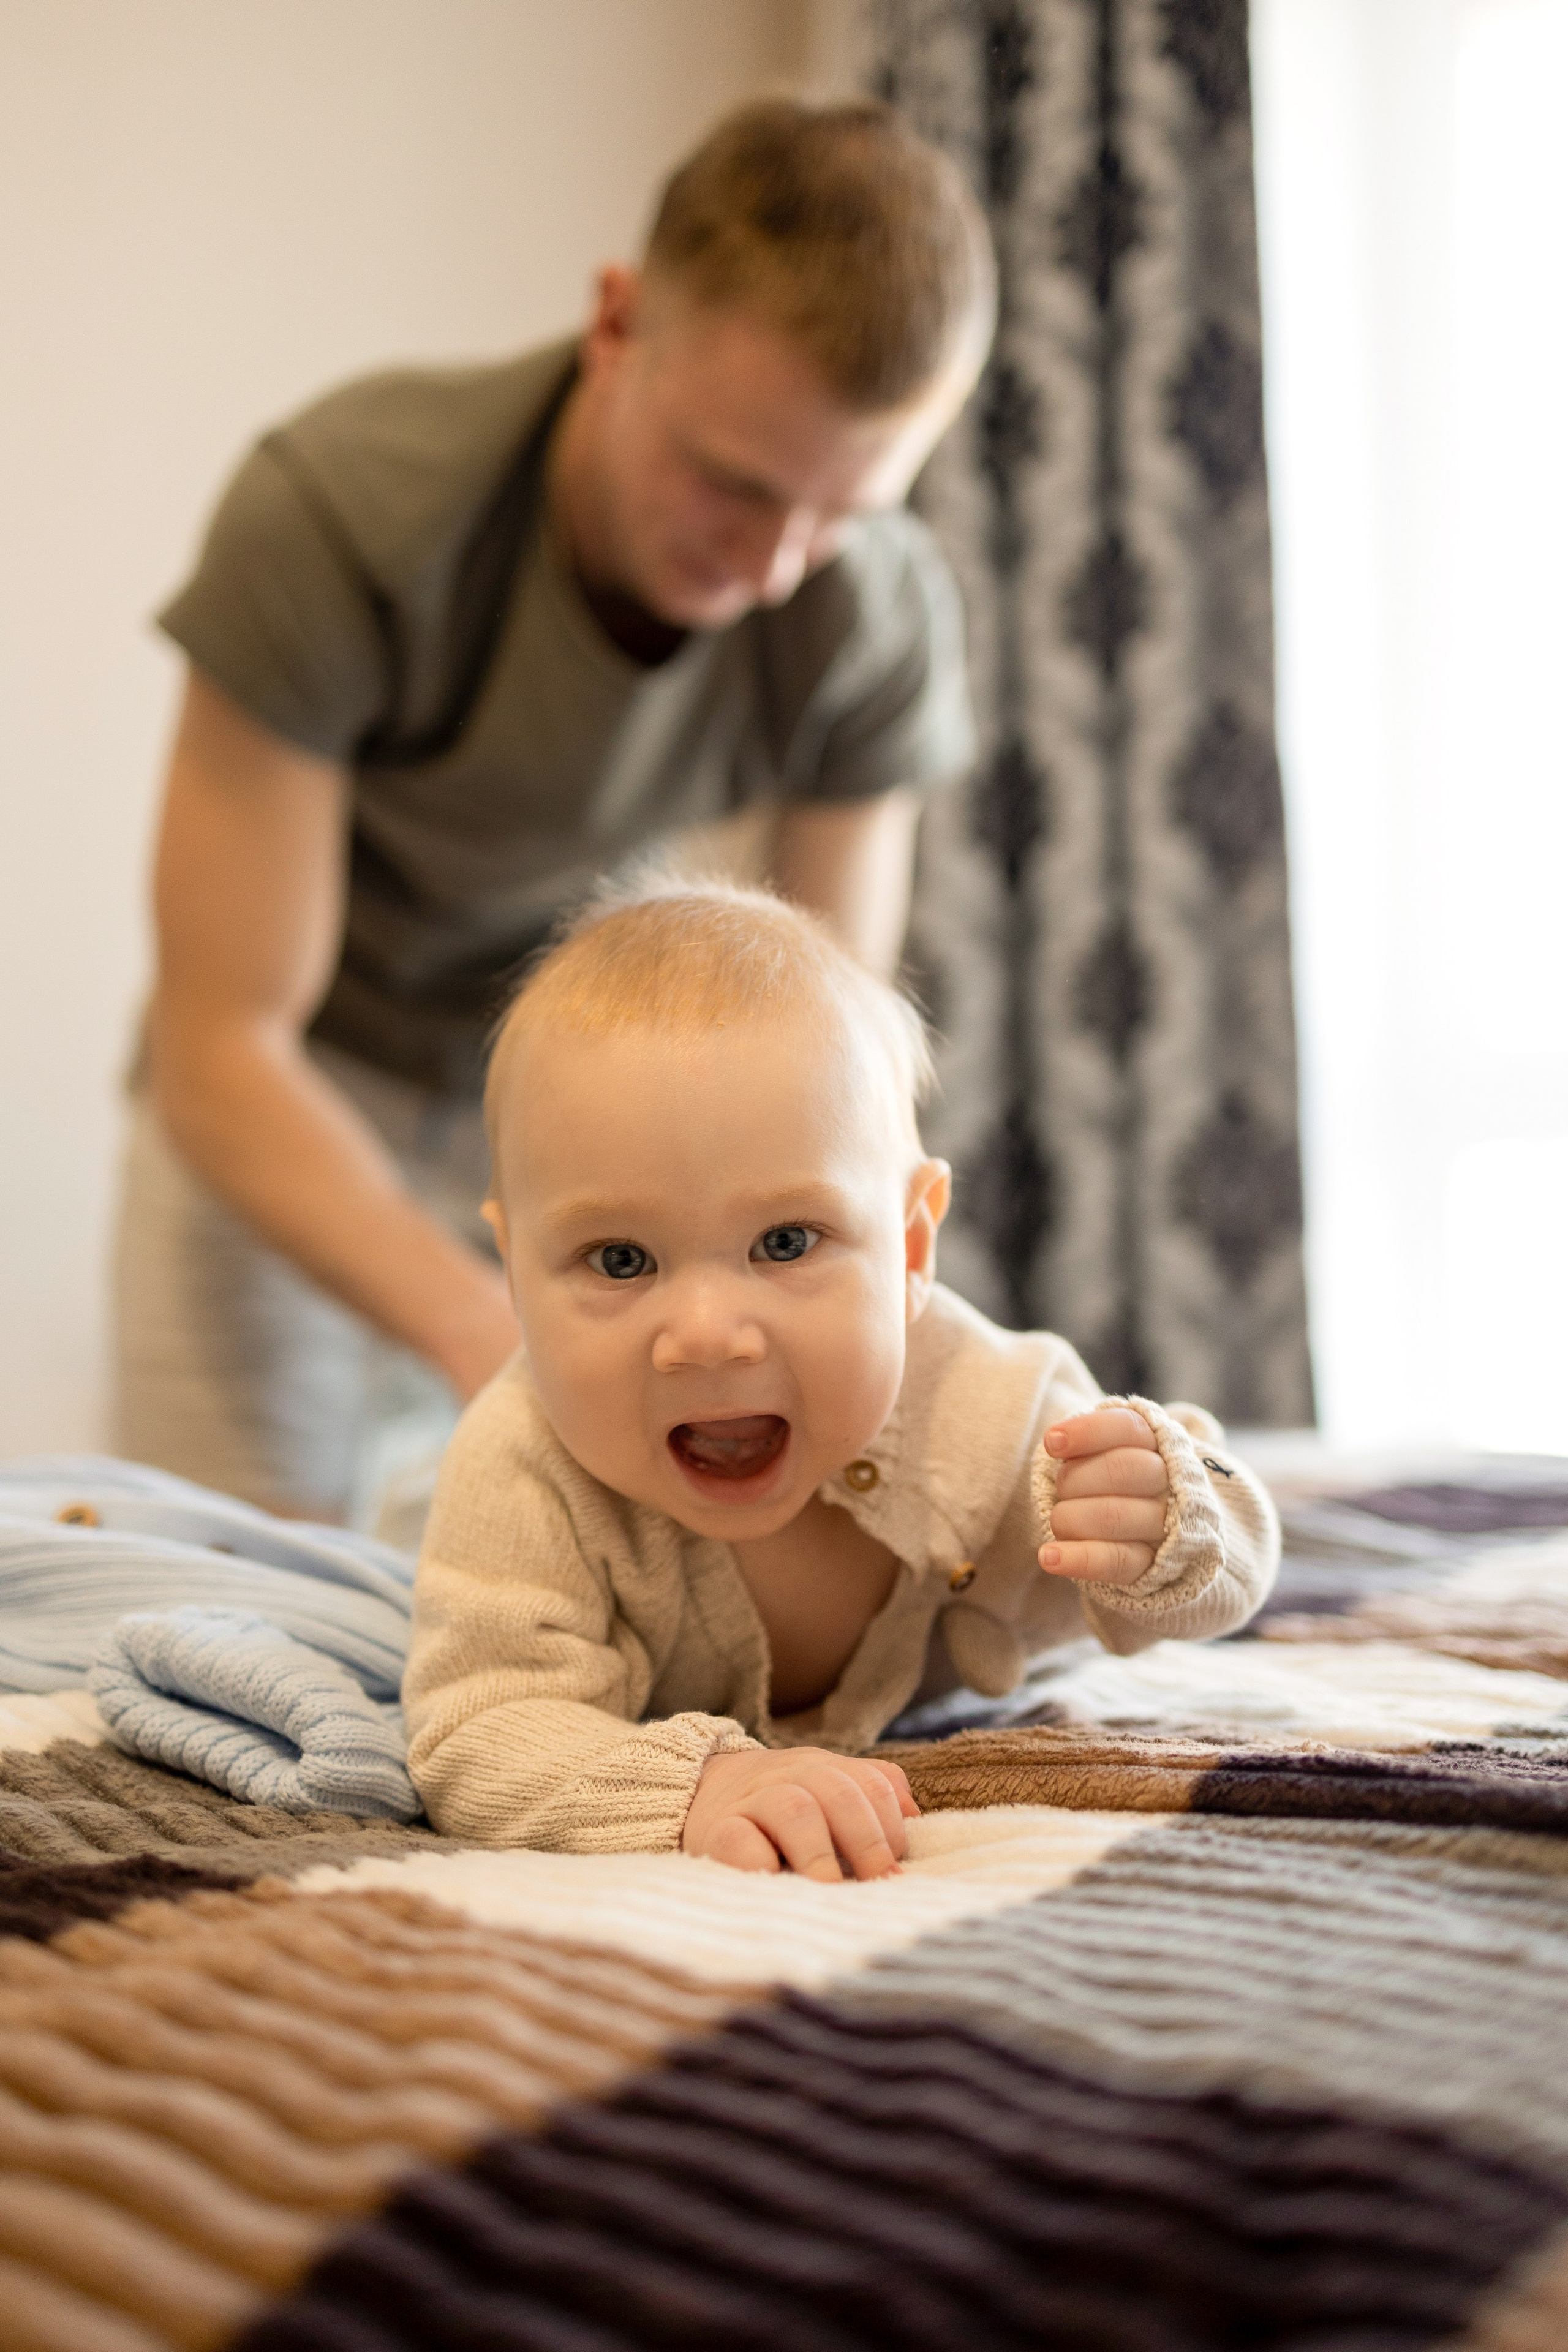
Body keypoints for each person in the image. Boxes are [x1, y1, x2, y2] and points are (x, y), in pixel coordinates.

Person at [116, 99, 995, 1522]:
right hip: (294, 1089)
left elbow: (832, 1046)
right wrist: (489, 1323)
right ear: (615, 321)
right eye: (730, 484)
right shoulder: (346, 515)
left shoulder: (870, 610)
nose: (773, 567)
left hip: (597, 1075)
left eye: (838, 513)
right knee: (224, 1577)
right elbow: (220, 1044)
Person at [402, 880, 1281, 1877]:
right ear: (514, 1274)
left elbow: (1235, 1555)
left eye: (784, 1241)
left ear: (911, 1251)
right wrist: (705, 1785)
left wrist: (1169, 1528)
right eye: (619, 1260)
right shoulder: (527, 1464)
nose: (706, 1337)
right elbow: (478, 1731)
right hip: (443, 1537)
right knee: (403, 1534)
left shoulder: (994, 1411)